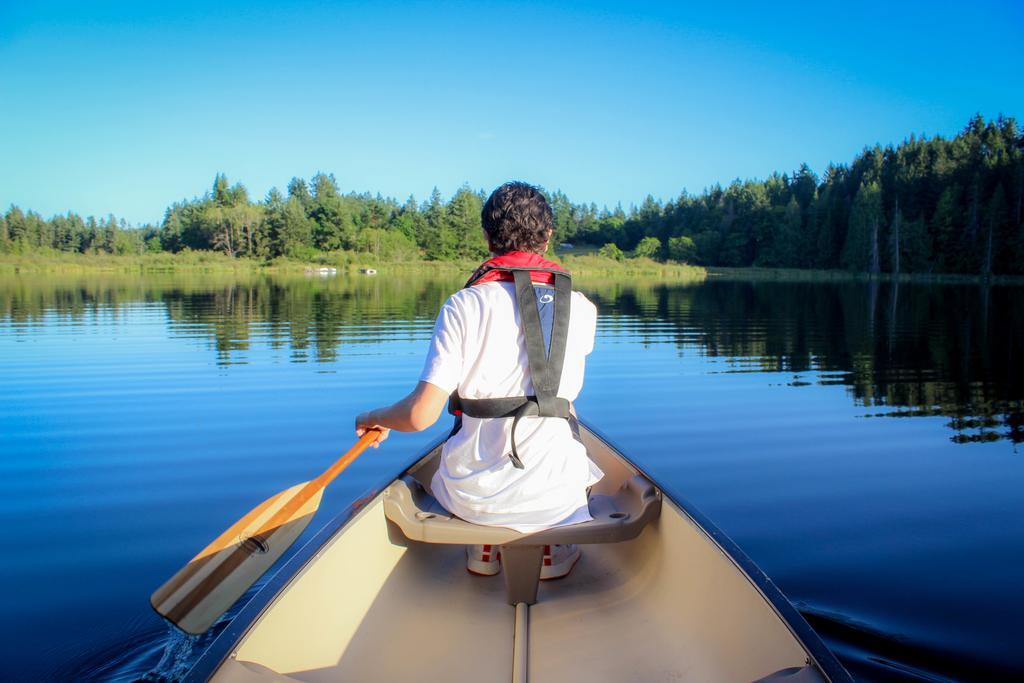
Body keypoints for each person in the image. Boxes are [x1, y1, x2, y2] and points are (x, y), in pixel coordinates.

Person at [355, 181, 601, 579]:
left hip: (474, 498)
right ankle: (554, 549)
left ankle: (482, 546)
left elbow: (420, 416)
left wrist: (374, 414)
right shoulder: (583, 308)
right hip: (556, 497)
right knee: (566, 416)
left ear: (487, 237)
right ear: (548, 237)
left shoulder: (463, 305)